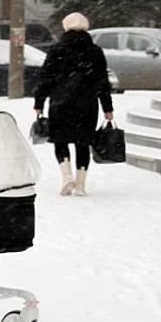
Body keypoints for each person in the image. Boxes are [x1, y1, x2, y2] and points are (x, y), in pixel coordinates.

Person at [33, 12, 114, 197]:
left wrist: (39, 101)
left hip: (60, 103)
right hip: (87, 104)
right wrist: (107, 108)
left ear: (66, 27)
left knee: (60, 140)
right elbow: (102, 82)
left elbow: (46, 78)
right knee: (83, 142)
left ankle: (67, 176)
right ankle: (80, 185)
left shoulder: (57, 50)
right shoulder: (95, 51)